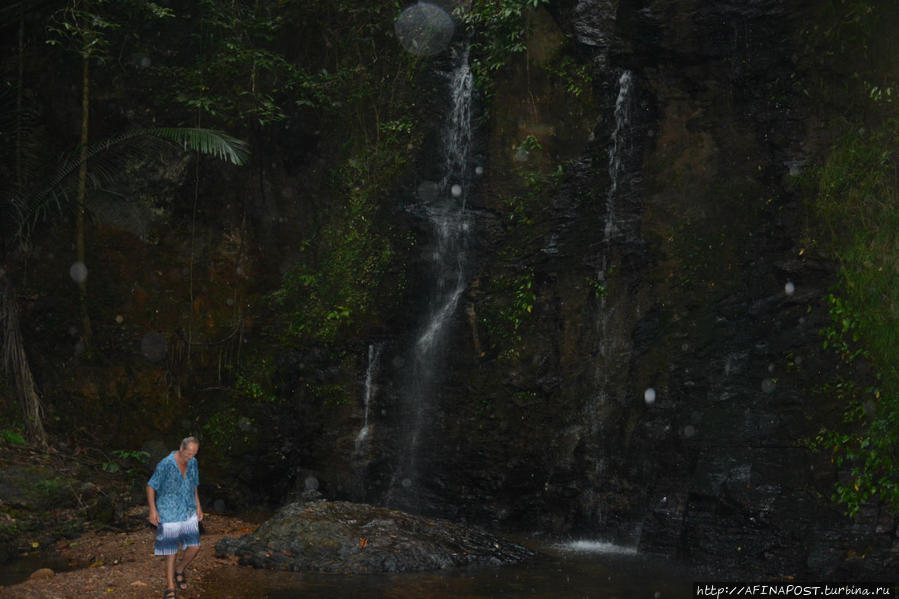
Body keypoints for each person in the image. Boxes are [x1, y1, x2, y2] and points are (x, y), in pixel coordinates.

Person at [147, 436, 203, 598]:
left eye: (195, 453)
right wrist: (153, 510)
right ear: (181, 448)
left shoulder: (193, 462)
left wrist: (198, 506)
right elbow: (151, 486)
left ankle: (180, 569)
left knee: (195, 546)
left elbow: (194, 485)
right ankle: (170, 586)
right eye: (189, 453)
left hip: (188, 509)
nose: (191, 457)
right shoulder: (165, 464)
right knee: (171, 551)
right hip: (169, 512)